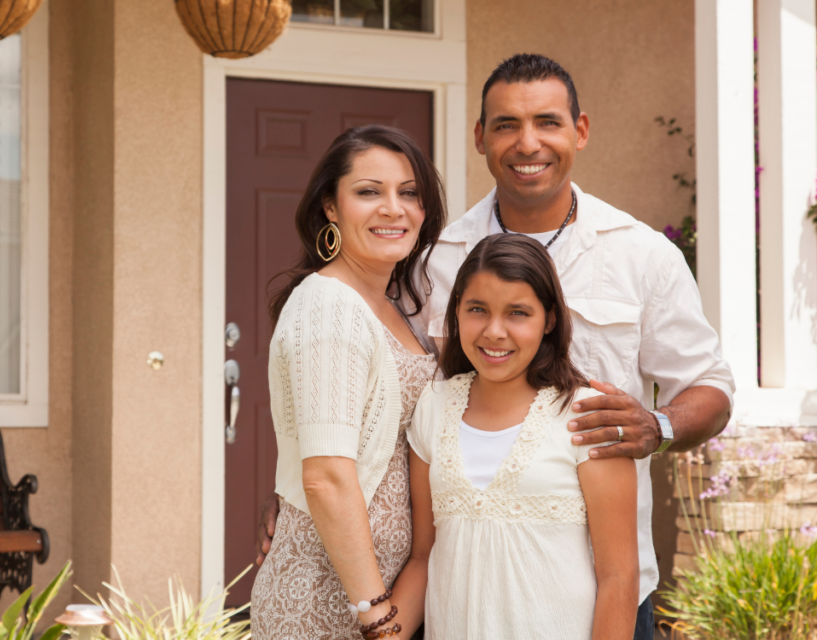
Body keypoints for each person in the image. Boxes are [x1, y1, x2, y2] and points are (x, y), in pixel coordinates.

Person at [257, 54, 735, 640]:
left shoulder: (641, 254)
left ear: (579, 130)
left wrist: (655, 425)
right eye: (506, 124)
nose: (527, 142)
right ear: (480, 137)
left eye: (548, 122)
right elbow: (366, 391)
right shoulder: (430, 259)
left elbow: (711, 385)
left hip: (608, 585)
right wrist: (304, 489)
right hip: (456, 586)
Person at [249, 124, 447, 639]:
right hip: (327, 598)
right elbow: (326, 477)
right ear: (329, 208)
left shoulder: (396, 307)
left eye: (409, 193)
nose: (393, 208)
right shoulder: (328, 306)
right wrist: (378, 616)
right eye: (368, 192)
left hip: (379, 597)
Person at [400, 233, 638, 639]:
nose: (494, 331)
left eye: (518, 313)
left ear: (549, 319)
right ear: (456, 311)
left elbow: (619, 576)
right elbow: (423, 557)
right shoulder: (433, 406)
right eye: (477, 309)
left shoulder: (586, 415)